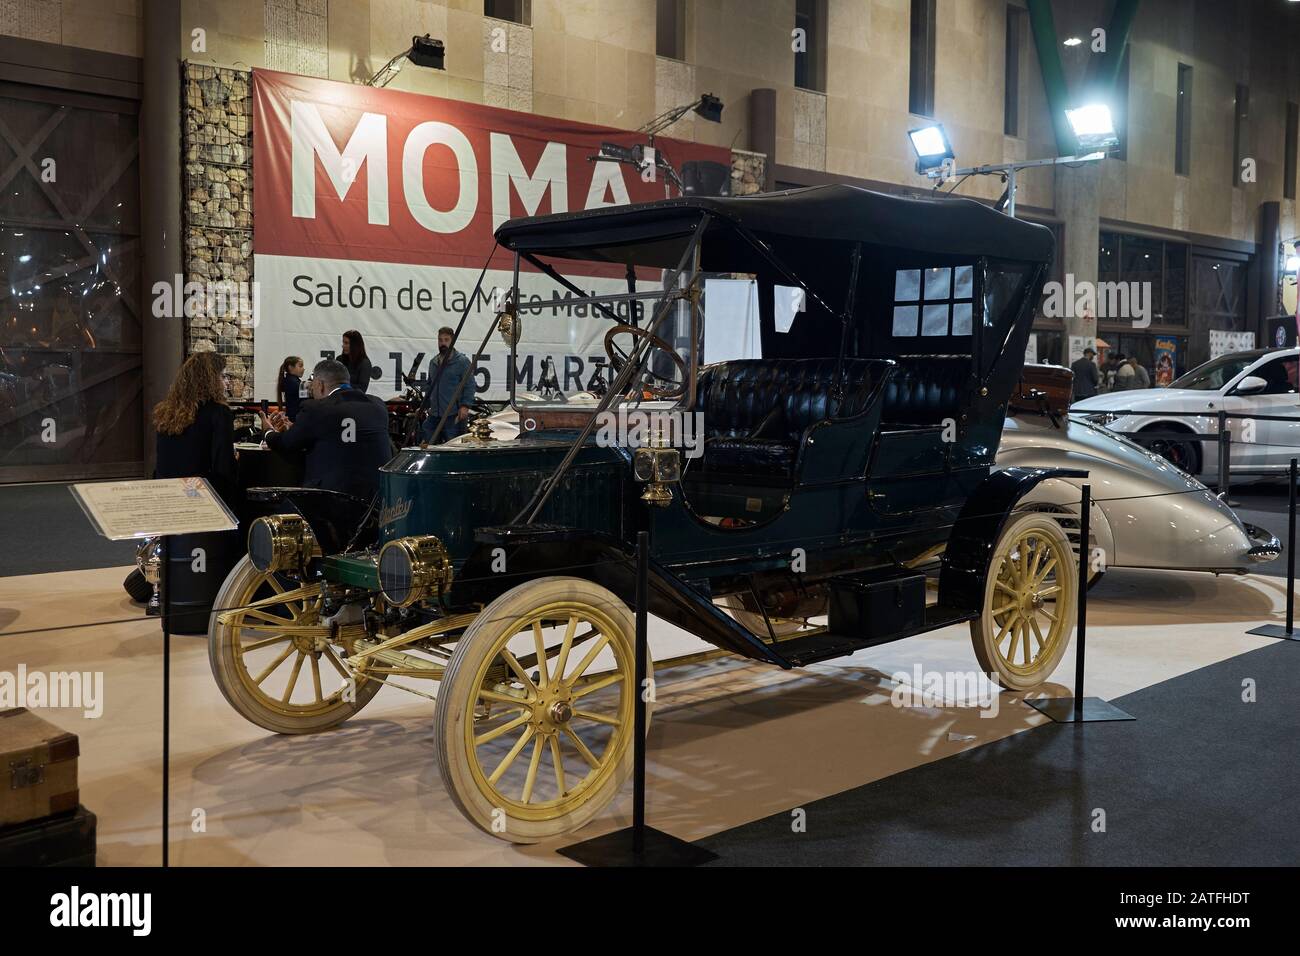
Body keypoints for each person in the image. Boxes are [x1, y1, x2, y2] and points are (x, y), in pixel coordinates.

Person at [260, 359, 392, 500]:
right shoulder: (377, 405)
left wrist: (268, 431)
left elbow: (286, 444)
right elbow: (340, 434)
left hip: (334, 500)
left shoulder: (317, 408)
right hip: (379, 499)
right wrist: (297, 428)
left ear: (320, 385)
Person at [153, 351, 237, 503]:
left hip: (167, 494)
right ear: (210, 380)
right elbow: (223, 468)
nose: (227, 383)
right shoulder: (219, 412)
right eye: (223, 376)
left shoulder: (166, 412)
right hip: (201, 497)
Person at [421, 326, 472, 443]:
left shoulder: (462, 362)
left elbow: (469, 385)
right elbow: (430, 386)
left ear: (452, 341)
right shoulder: (433, 362)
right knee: (427, 438)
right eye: (440, 340)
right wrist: (425, 405)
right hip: (435, 414)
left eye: (446, 340)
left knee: (454, 447)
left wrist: (465, 406)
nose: (442, 343)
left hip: (453, 415)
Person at [276, 355, 305, 421]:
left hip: (294, 417)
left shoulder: (292, 380)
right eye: (300, 366)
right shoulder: (292, 382)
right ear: (290, 367)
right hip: (294, 419)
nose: (303, 369)